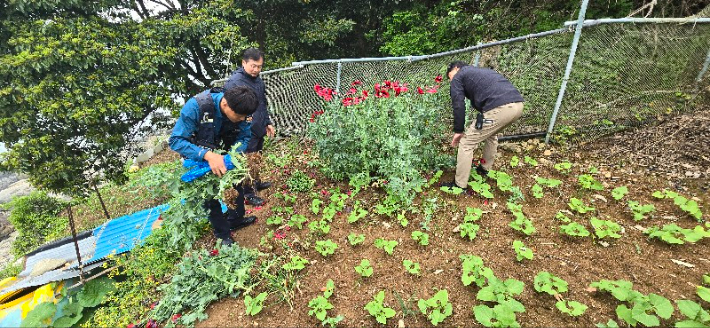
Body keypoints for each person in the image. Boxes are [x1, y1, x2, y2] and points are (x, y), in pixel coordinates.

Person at [169, 86, 259, 246]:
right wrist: (208, 156)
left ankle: (236, 220)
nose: (241, 119)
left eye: (244, 117)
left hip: (226, 153)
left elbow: (245, 136)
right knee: (208, 196)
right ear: (225, 104)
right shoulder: (198, 107)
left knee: (235, 187)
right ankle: (222, 234)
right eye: (238, 116)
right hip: (198, 156)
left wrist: (233, 155)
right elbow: (175, 140)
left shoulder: (244, 110)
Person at [442, 61, 525, 190]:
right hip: (517, 105)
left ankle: (459, 185)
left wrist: (458, 130)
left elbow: (458, 104)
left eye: (450, 76)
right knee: (491, 135)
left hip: (501, 108)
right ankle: (484, 169)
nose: (451, 80)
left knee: (466, 142)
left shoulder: (459, 76)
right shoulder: (481, 72)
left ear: (456, 68)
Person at [224, 48, 275, 206]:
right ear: (243, 63)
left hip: (258, 126)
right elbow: (230, 111)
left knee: (256, 158)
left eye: (259, 66)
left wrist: (267, 122)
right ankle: (248, 193)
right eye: (253, 66)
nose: (256, 70)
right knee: (246, 161)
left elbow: (262, 103)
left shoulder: (258, 80)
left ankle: (256, 182)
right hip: (245, 131)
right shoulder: (235, 83)